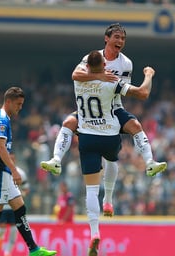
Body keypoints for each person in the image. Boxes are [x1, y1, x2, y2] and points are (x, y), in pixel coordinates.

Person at [41, 23, 167, 216]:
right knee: (68, 123)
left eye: (123, 38)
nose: (120, 41)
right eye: (117, 37)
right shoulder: (92, 58)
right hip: (91, 110)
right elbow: (76, 75)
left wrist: (105, 82)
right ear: (106, 38)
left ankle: (150, 162)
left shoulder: (126, 63)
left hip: (113, 107)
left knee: (135, 125)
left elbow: (127, 91)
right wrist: (101, 76)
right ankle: (56, 159)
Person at [75, 50, 156, 256]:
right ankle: (110, 198)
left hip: (87, 133)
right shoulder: (112, 81)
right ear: (103, 65)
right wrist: (149, 75)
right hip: (109, 130)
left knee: (91, 189)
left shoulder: (80, 80)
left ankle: (94, 232)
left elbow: (75, 74)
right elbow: (142, 93)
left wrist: (96, 75)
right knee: (113, 158)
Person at [0, 87, 56, 256]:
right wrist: (13, 169)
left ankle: (34, 249)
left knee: (20, 207)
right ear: (8, 102)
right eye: (18, 104)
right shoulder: (1, 120)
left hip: (2, 171)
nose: (20, 107)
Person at [0, 155, 30, 256]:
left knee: (14, 230)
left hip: (15, 207)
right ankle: (0, 238)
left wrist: (20, 194)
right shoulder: (0, 171)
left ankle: (7, 253)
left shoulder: (20, 173)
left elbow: (26, 188)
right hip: (4, 205)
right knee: (1, 228)